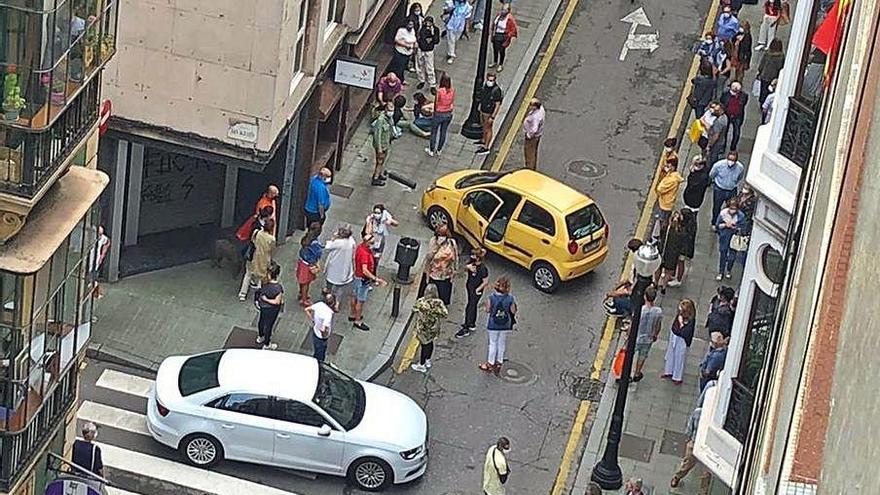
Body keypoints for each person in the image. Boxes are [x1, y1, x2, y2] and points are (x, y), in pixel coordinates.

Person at [351, 232, 387, 331]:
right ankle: (358, 321)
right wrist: (376, 279)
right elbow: (365, 270)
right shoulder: (365, 254)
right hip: (363, 280)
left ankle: (353, 314)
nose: (373, 245)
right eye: (371, 243)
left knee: (354, 296)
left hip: (357, 276)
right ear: (366, 242)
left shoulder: (360, 247)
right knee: (360, 300)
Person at [480, 277, 516, 374]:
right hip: (505, 324)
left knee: (493, 343)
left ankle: (490, 363)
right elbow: (513, 311)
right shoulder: (510, 298)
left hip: (493, 324)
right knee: (502, 342)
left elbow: (488, 310)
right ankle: (499, 361)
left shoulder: (491, 298)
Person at [410, 284, 449, 372]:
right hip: (433, 327)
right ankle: (428, 360)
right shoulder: (439, 302)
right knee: (430, 343)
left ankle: (421, 364)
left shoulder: (422, 301)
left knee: (424, 345)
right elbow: (445, 314)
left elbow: (414, 309)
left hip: (423, 328)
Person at [239, 218, 276, 301]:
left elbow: (252, 241)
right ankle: (259, 296)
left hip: (252, 257)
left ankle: (242, 294)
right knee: (262, 278)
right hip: (264, 259)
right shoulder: (271, 239)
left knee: (248, 274)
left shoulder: (256, 233)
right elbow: (272, 250)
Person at [421, 223, 458, 305]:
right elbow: (429, 257)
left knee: (443, 297)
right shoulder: (433, 241)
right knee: (431, 296)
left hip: (446, 275)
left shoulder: (452, 243)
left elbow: (455, 257)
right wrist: (437, 246)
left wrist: (455, 270)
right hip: (433, 274)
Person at [632, 286, 662, 382]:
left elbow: (633, 324)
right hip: (648, 338)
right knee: (642, 356)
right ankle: (637, 373)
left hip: (637, 337)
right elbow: (658, 325)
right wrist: (655, 335)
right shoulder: (658, 311)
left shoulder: (640, 310)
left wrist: (628, 334)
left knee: (630, 354)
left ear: (645, 297)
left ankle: (625, 372)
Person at [457, 247, 489, 338]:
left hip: (476, 290)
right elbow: (465, 268)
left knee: (470, 307)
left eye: (473, 255)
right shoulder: (472, 264)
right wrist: (468, 267)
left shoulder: (483, 269)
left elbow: (485, 282)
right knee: (473, 305)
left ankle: (466, 327)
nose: (471, 256)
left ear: (478, 258)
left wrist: (477, 290)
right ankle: (472, 324)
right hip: (470, 287)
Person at [663, 299, 696, 384]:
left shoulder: (690, 320)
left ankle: (677, 377)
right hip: (674, 335)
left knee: (679, 357)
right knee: (671, 353)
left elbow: (685, 332)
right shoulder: (680, 315)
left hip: (682, 339)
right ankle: (668, 371)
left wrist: (681, 325)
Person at [323, 224, 356, 307]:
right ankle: (337, 303)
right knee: (340, 287)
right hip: (345, 267)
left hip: (334, 265)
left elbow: (328, 246)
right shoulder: (351, 241)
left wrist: (333, 237)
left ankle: (328, 293)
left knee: (330, 281)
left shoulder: (338, 242)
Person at [709, 150, 745, 225]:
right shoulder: (719, 165)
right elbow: (712, 174)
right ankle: (714, 222)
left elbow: (739, 177)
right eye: (730, 159)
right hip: (719, 189)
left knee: (731, 208)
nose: (731, 162)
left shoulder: (740, 168)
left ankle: (727, 222)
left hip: (731, 190)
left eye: (733, 160)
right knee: (716, 207)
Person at [716, 197, 745, 280]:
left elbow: (743, 228)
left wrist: (735, 227)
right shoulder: (723, 214)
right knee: (723, 255)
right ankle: (721, 272)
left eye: (734, 209)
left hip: (734, 237)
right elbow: (718, 225)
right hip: (724, 236)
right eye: (731, 208)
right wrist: (725, 225)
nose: (732, 210)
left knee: (732, 256)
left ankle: (728, 270)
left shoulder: (741, 216)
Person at [256, 261, 283, 349]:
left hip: (263, 307)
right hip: (272, 309)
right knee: (269, 325)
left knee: (261, 320)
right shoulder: (278, 288)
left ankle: (260, 336)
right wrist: (267, 299)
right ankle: (267, 344)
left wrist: (263, 299)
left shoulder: (264, 281)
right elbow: (277, 302)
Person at [427, 72, 455, 156]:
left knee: (434, 132)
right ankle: (439, 150)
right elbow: (452, 101)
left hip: (439, 113)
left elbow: (436, 103)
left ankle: (431, 150)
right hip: (448, 113)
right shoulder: (452, 90)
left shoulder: (439, 91)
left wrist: (435, 112)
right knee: (443, 132)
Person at [659, 211, 688, 291]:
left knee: (661, 268)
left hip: (664, 252)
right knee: (669, 272)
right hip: (673, 256)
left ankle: (657, 283)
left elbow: (661, 237)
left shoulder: (665, 227)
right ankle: (664, 286)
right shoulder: (682, 232)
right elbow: (682, 245)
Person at [655, 157, 684, 235]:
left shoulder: (671, 180)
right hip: (668, 201)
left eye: (668, 166)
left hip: (665, 203)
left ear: (672, 167)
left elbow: (660, 189)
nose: (666, 167)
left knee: (663, 220)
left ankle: (662, 234)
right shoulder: (674, 175)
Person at [305, 291, 338, 362]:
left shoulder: (319, 304)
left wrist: (313, 319)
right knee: (320, 354)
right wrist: (324, 336)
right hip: (321, 338)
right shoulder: (328, 314)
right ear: (333, 303)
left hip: (315, 331)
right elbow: (323, 329)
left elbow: (307, 309)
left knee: (317, 350)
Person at [476, 73, 503, 155]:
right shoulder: (485, 86)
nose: (489, 82)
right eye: (488, 79)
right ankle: (483, 140)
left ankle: (486, 147)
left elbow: (497, 105)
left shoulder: (496, 90)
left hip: (489, 112)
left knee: (488, 128)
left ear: (494, 80)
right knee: (484, 125)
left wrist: (493, 117)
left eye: (491, 80)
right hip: (483, 110)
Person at [364, 204, 399, 268]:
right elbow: (367, 232)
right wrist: (368, 222)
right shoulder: (372, 219)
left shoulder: (385, 216)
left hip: (380, 241)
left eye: (378, 213)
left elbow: (396, 223)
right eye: (375, 212)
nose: (376, 214)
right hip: (372, 240)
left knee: (376, 260)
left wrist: (390, 221)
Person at [297, 222, 323, 306]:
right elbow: (318, 254)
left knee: (302, 281)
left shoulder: (306, 238)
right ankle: (304, 300)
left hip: (302, 262)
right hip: (308, 265)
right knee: (306, 283)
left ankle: (301, 294)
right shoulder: (315, 244)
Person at [370, 101, 394, 186]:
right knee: (379, 161)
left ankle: (379, 174)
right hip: (381, 145)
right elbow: (377, 134)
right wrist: (379, 148)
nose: (391, 111)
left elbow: (391, 128)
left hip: (386, 143)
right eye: (390, 109)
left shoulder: (389, 118)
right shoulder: (381, 120)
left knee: (383, 160)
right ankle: (375, 178)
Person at [489, 4, 518, 72]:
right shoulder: (499, 15)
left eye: (505, 10)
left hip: (503, 36)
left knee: (502, 51)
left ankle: (500, 64)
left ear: (508, 11)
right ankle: (495, 62)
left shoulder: (510, 19)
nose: (503, 11)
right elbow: (494, 24)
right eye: (502, 9)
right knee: (495, 49)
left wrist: (508, 35)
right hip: (496, 34)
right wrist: (492, 32)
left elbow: (513, 29)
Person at [720, 81, 748, 150]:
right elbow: (722, 102)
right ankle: (723, 146)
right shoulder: (725, 94)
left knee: (737, 133)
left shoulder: (744, 95)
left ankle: (733, 148)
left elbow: (743, 103)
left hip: (738, 116)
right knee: (724, 132)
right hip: (727, 115)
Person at [444, 0, 472, 64]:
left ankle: (450, 51)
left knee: (455, 39)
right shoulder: (451, 2)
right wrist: (449, 8)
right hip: (451, 23)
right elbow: (445, 10)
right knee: (451, 40)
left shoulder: (467, 6)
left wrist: (467, 27)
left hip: (460, 25)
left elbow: (467, 17)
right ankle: (451, 55)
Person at [757, 38, 785, 104]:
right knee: (770, 91)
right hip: (773, 77)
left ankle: (762, 102)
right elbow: (780, 67)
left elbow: (762, 64)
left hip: (764, 75)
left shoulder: (767, 53)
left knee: (763, 90)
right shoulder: (781, 56)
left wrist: (759, 71)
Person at [416, 16, 440, 89]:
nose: (428, 24)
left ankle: (432, 84)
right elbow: (421, 37)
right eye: (427, 22)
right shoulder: (422, 28)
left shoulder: (436, 29)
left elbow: (436, 41)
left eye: (430, 22)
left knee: (430, 67)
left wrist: (432, 34)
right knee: (420, 65)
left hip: (429, 51)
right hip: (421, 49)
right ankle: (421, 80)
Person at [522, 98, 545, 170]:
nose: (529, 106)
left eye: (531, 105)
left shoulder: (536, 117)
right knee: (533, 152)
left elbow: (534, 129)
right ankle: (532, 167)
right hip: (537, 136)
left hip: (532, 138)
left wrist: (529, 135)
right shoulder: (540, 109)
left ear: (535, 107)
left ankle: (530, 169)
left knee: (529, 153)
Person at [678, 207, 698, 285]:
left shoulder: (685, 229)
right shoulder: (692, 224)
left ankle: (678, 279)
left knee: (680, 263)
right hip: (685, 248)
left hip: (682, 249)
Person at [90, 225, 111, 299]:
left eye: (101, 234)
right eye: (99, 234)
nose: (100, 236)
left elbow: (107, 242)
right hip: (87, 262)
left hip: (94, 263)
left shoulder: (102, 238)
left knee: (93, 277)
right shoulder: (89, 237)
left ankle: (96, 292)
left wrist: (102, 256)